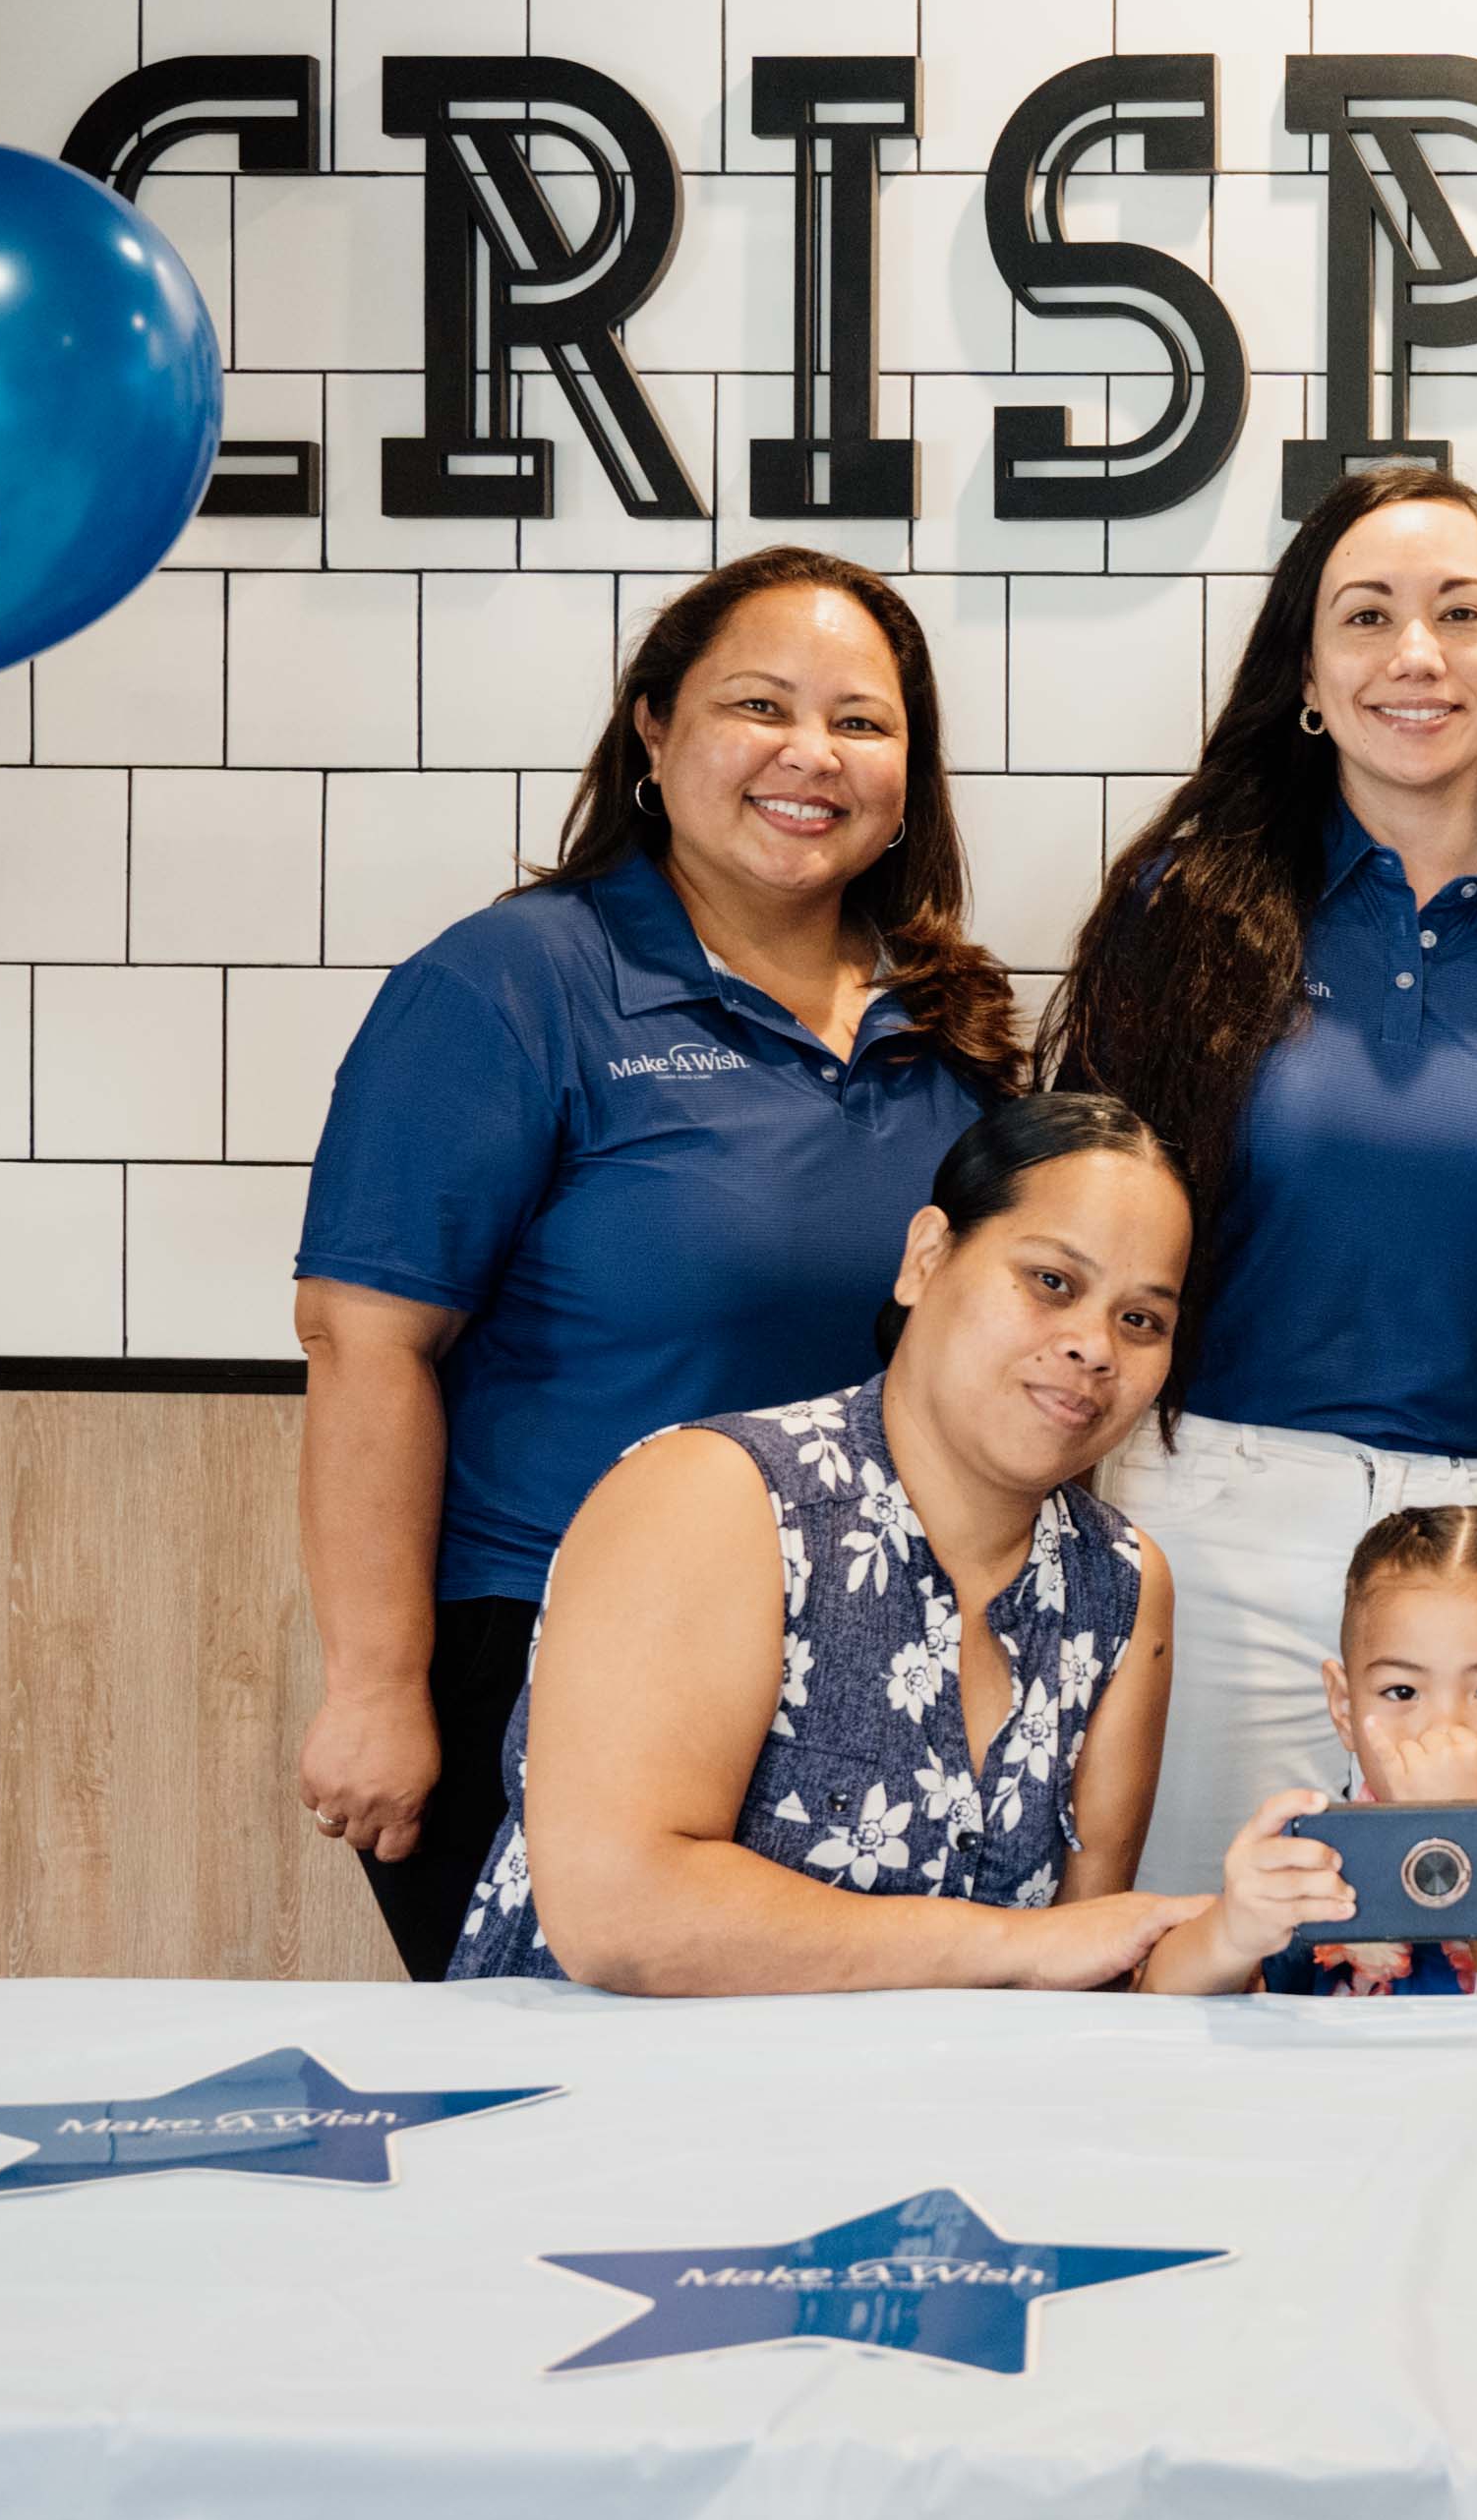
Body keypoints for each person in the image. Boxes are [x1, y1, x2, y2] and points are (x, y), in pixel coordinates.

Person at [291, 551, 1024, 1977]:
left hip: (860, 1667)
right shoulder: (511, 985)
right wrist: (376, 1686)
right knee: (579, 2140)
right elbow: (362, 1342)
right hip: (551, 1662)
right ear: (653, 729)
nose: (811, 754)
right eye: (759, 704)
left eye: (863, 722)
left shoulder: (955, 1027)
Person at [1038, 462, 1477, 1878]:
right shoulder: (1187, 906)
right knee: (1197, 1979)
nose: (1416, 655)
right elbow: (1073, 1256)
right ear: (1306, 668)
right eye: (1366, 615)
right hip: (1208, 1531)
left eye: (1460, 613)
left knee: (1467, 2001)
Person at [450, 1089, 1210, 1993]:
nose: (1094, 1346)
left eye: (1141, 1320)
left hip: (916, 2118)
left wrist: (1244, 1933)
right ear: (927, 1257)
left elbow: (1085, 1967)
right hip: (607, 2104)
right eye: (1052, 1282)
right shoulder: (714, 1496)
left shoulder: (1119, 1582)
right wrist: (1011, 1946)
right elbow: (621, 1916)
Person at [1134, 1505, 1477, 2001]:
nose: (1443, 1728)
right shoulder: (1326, 1853)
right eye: (1401, 1692)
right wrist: (1232, 1929)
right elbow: (1163, 1998)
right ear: (1345, 1708)